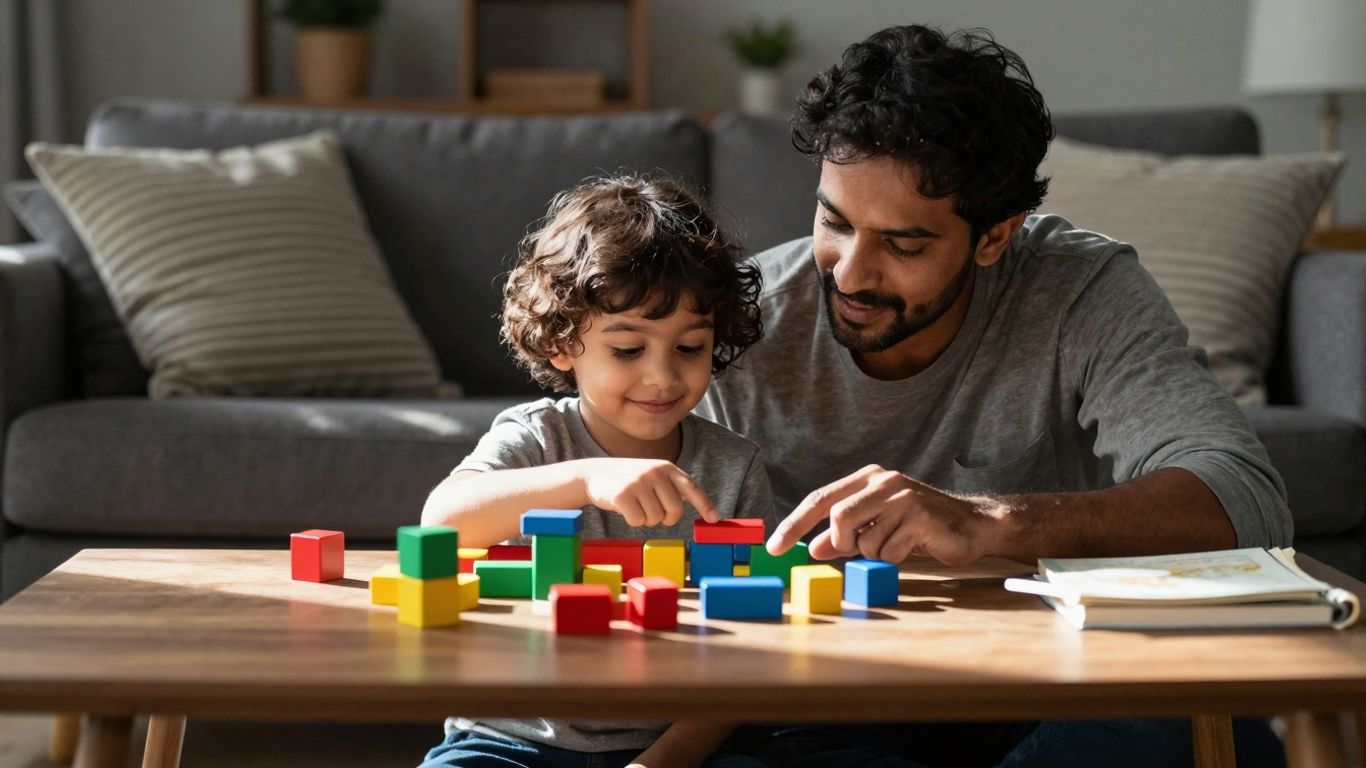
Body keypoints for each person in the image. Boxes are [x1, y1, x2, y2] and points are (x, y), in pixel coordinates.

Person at [696, 24, 1292, 768]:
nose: (850, 273)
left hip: (1063, 682)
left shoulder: (1081, 291)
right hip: (849, 697)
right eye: (834, 221)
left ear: (994, 236)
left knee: (1200, 740)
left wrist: (990, 522)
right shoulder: (746, 324)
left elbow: (1245, 499)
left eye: (903, 244)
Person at [419, 175, 776, 768]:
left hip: (667, 745)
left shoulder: (734, 468)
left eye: (689, 348)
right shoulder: (537, 437)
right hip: (512, 736)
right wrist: (584, 479)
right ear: (563, 343)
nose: (662, 378)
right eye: (628, 350)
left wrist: (662, 761)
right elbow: (441, 520)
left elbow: (758, 643)